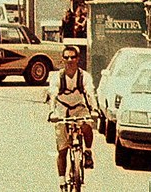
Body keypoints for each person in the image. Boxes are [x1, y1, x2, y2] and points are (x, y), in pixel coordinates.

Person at [48, 45, 99, 191]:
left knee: (87, 125)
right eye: (66, 57)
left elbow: (90, 93)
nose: (69, 60)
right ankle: (62, 181)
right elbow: (53, 94)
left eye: (73, 57)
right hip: (62, 111)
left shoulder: (84, 76)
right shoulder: (57, 77)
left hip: (79, 108)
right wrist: (52, 113)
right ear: (62, 59)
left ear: (78, 59)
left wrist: (94, 110)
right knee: (62, 150)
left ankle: (87, 152)